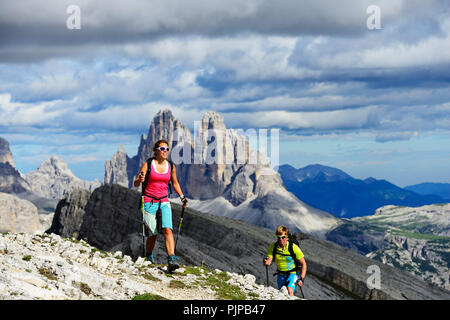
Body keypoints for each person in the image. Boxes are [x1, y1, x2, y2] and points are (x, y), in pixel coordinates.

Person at [134, 139, 188, 272]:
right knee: (153, 232)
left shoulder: (171, 166)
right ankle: (149, 255)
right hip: (148, 201)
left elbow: (175, 183)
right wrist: (139, 179)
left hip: (164, 201)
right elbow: (136, 182)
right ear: (156, 151)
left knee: (167, 229)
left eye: (167, 149)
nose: (165, 152)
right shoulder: (148, 164)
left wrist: (182, 197)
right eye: (162, 149)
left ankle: (171, 259)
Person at [263, 225, 307, 297]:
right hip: (280, 275)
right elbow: (269, 260)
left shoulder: (293, 247)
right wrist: (266, 262)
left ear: (287, 237)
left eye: (283, 237)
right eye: (279, 237)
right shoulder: (273, 246)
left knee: (290, 290)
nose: (281, 239)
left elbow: (303, 264)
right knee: (282, 293)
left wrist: (301, 278)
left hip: (293, 274)